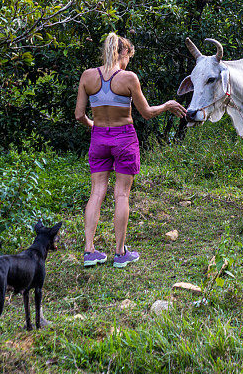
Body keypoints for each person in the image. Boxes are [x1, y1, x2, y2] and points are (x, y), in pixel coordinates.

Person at [75, 32, 186, 268]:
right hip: (124, 137)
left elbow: (78, 115)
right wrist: (166, 106)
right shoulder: (128, 78)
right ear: (122, 53)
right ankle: (120, 253)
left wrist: (93, 125)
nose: (128, 63)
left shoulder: (87, 76)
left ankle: (89, 251)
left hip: (99, 138)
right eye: (128, 57)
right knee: (121, 194)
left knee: (96, 192)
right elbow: (146, 113)